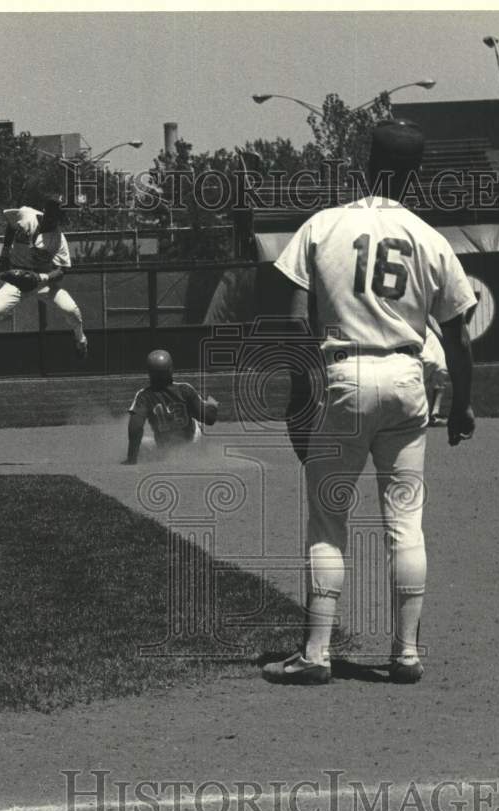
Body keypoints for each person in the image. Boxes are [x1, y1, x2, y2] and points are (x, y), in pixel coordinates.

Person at [264, 118, 476, 686]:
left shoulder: (324, 225)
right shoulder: (431, 239)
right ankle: (405, 654)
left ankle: (315, 654)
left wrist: (299, 398)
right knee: (406, 524)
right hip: (408, 380)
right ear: (416, 174)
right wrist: (461, 406)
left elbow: (292, 324)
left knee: (328, 520)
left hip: (344, 375)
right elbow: (457, 338)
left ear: (365, 163)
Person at [0, 197, 87, 377]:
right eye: (49, 212)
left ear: (60, 219)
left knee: (71, 309)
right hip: (17, 278)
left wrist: (40, 277)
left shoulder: (58, 239)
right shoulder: (26, 215)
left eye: (56, 215)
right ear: (44, 211)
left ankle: (80, 339)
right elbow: (10, 225)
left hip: (42, 282)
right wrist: (3, 254)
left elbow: (62, 270)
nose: (50, 218)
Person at [123, 349, 219, 464]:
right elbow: (209, 419)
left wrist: (131, 459)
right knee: (197, 417)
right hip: (192, 442)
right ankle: (200, 452)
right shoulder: (185, 389)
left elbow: (136, 427)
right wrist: (212, 406)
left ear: (149, 373)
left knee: (142, 443)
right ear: (171, 369)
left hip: (164, 448)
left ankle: (164, 456)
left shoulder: (144, 396)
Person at [423, 319, 449, 426]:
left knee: (441, 368)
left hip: (423, 328)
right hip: (404, 328)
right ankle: (420, 414)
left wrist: (432, 329)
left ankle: (434, 414)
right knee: (427, 365)